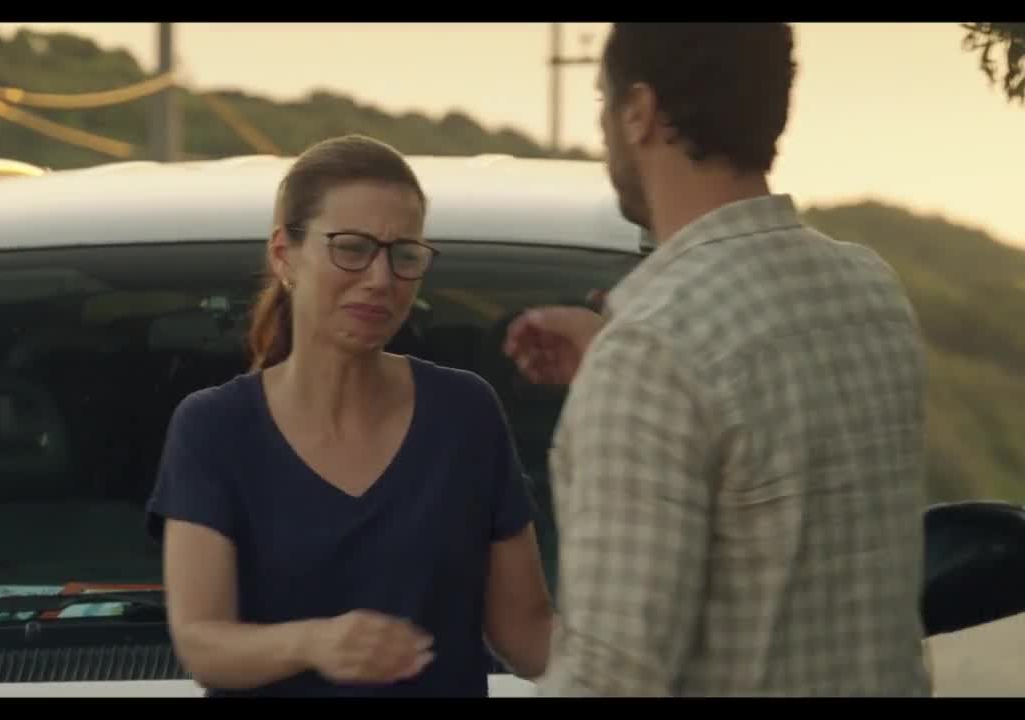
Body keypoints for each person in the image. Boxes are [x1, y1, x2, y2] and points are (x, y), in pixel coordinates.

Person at [504, 23, 932, 696]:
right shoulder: (871, 294)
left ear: (639, 112)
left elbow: (610, 682)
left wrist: (628, 372)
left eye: (604, 102)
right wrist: (621, 365)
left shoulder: (653, 351)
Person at [146, 134, 555, 697]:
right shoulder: (215, 428)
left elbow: (527, 633)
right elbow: (203, 643)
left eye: (403, 255)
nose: (380, 279)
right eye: (352, 248)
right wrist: (316, 643)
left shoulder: (465, 415)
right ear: (283, 254)